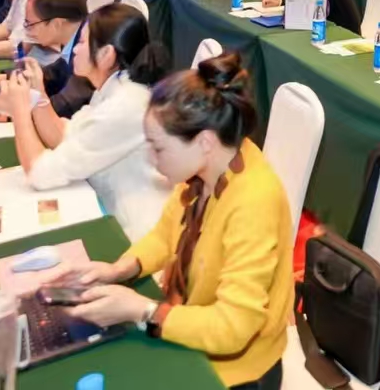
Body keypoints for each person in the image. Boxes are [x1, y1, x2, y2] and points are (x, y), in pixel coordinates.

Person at [63, 54, 295, 389]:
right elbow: (165, 235)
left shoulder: (254, 201)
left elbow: (233, 327)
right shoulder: (207, 167)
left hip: (238, 372)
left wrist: (144, 311)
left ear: (204, 142)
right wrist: (120, 269)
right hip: (193, 332)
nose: (152, 159)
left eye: (159, 149)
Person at [0, 3, 172, 240]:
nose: (75, 50)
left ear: (106, 54)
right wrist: (38, 94)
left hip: (130, 234)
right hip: (106, 209)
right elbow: (64, 137)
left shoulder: (125, 105)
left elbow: (40, 174)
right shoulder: (115, 86)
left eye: (81, 42)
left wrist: (20, 111)